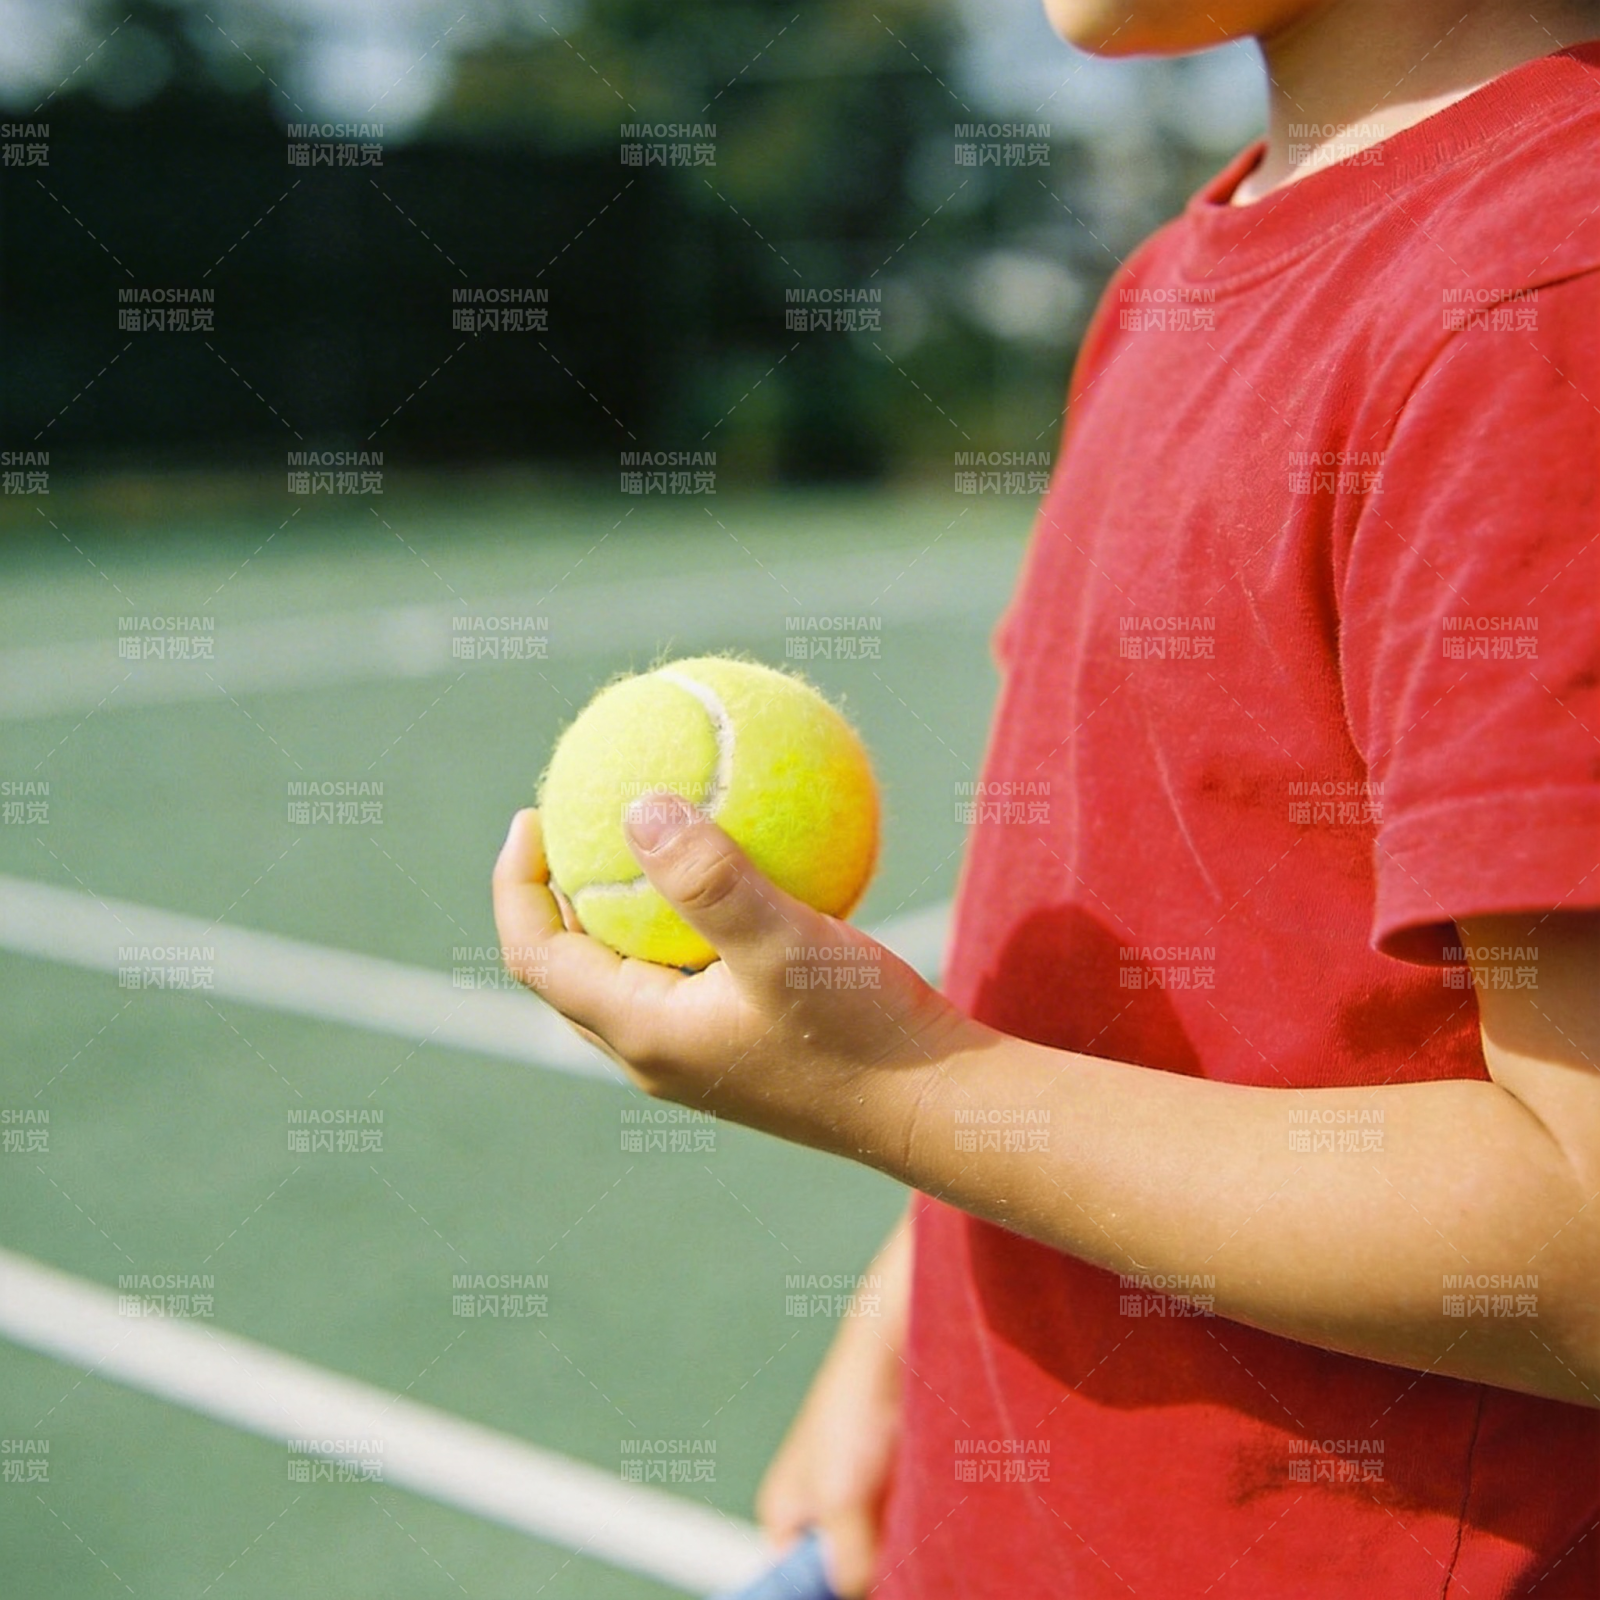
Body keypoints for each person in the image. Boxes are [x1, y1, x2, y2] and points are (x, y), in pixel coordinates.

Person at [494, 0, 1600, 1592]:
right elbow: (1111, 998)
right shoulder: (1170, 283)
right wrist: (901, 1341)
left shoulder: (1544, 298)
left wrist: (890, 1088)